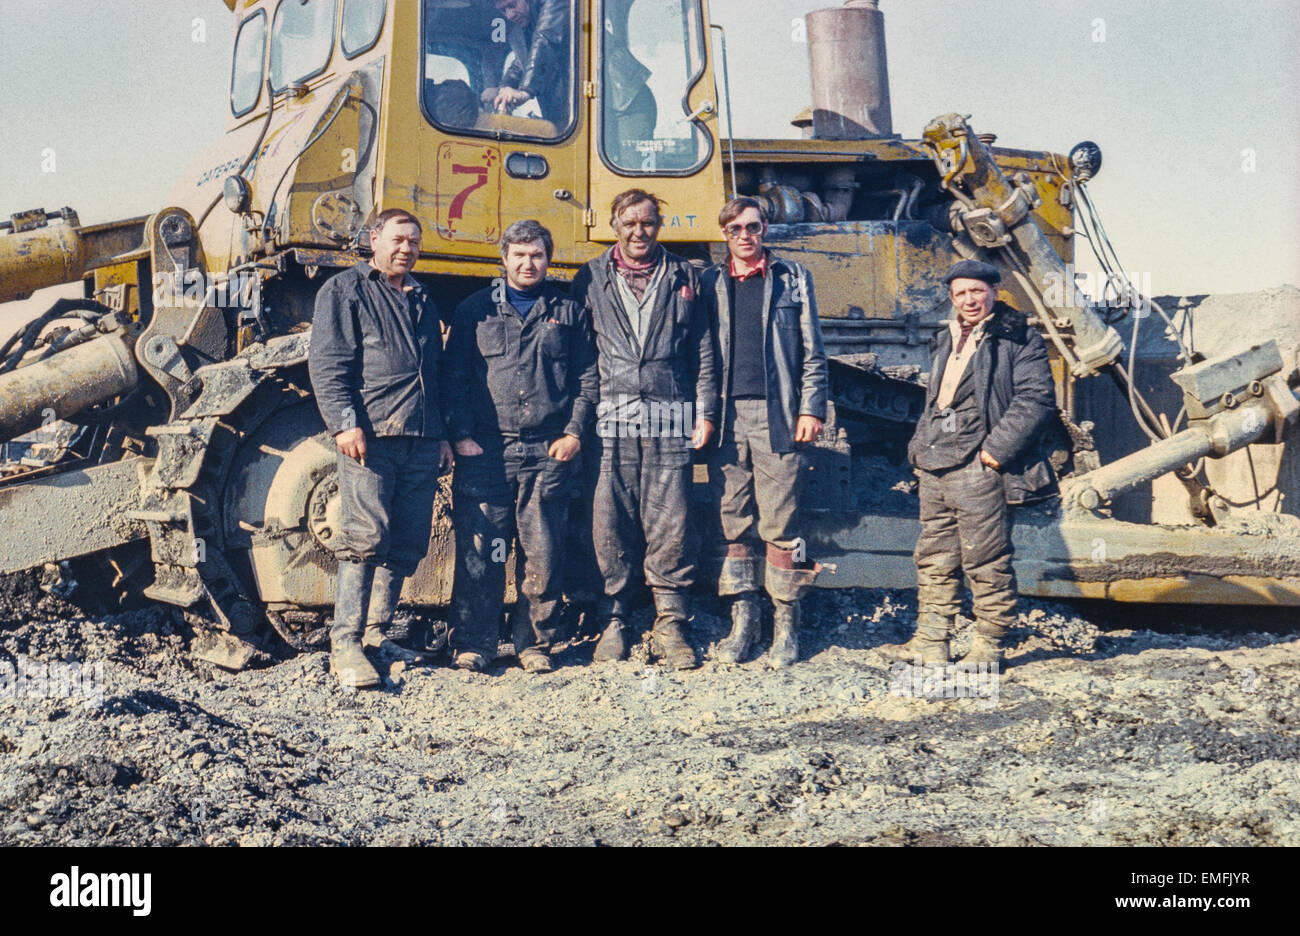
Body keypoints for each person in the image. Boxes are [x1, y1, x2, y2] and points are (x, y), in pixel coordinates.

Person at [878, 260, 1058, 668]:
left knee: (985, 559)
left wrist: (994, 453)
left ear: (994, 291)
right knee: (934, 556)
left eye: (977, 291)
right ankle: (931, 642)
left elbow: (1035, 400)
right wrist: (918, 448)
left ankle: (988, 647)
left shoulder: (1019, 339)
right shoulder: (945, 337)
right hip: (935, 464)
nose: (969, 300)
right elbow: (936, 400)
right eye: (960, 293)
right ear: (952, 298)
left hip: (979, 467)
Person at [441, 220, 598, 674]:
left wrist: (573, 433)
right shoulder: (475, 311)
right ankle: (474, 643)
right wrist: (461, 435)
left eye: (537, 255)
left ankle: (535, 645)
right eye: (520, 255)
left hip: (547, 454)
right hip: (487, 453)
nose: (529, 263)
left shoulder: (568, 313)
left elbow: (587, 381)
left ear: (548, 260)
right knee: (484, 552)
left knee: (542, 554)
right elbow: (454, 377)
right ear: (504, 259)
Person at [570, 190, 717, 670]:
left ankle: (670, 620)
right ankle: (612, 617)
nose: (639, 232)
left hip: (670, 412)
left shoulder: (686, 277)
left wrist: (705, 411)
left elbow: (704, 352)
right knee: (608, 518)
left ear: (660, 225)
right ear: (613, 224)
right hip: (610, 416)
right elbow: (579, 354)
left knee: (671, 518)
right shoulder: (589, 278)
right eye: (629, 223)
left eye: (648, 223)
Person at [308, 209, 453, 689]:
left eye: (413, 241)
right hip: (370, 437)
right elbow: (328, 365)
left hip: (421, 436)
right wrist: (344, 425)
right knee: (365, 538)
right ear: (374, 240)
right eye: (397, 240)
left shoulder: (422, 296)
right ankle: (345, 644)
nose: (406, 249)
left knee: (406, 541)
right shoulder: (345, 291)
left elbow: (436, 373)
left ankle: (377, 634)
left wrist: (443, 434)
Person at [701, 197, 828, 668]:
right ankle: (744, 621)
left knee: (780, 520)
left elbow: (814, 350)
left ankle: (785, 624)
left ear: (765, 228)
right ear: (724, 235)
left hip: (778, 415)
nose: (745, 236)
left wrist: (811, 408)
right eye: (734, 228)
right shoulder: (711, 282)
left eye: (752, 227)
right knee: (732, 517)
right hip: (728, 418)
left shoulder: (793, 278)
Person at [484, 0, 570, 123]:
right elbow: (522, 61)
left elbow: (546, 39)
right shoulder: (527, 26)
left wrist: (526, 91)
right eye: (503, 10)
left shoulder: (553, 4)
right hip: (556, 111)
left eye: (512, 5)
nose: (510, 15)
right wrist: (503, 89)